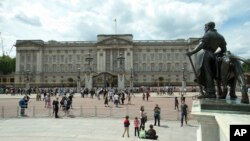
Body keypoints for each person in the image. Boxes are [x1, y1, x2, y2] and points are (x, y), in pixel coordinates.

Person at [186, 21, 227, 98]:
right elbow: (224, 49)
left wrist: (192, 52)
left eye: (205, 27)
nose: (204, 29)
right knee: (211, 74)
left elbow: (201, 45)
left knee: (207, 74)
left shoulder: (207, 35)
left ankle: (211, 93)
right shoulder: (221, 37)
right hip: (213, 55)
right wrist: (214, 53)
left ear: (208, 27)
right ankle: (209, 91)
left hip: (205, 54)